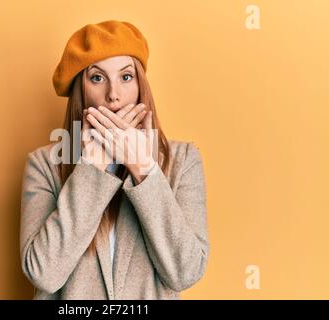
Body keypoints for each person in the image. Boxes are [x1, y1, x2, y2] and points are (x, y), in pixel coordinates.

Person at [19, 20, 209, 300]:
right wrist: (92, 167)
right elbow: (44, 273)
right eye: (97, 78)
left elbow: (186, 272)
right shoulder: (44, 165)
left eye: (126, 77)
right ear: (80, 92)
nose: (113, 94)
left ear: (141, 86)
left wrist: (144, 169)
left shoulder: (183, 160)